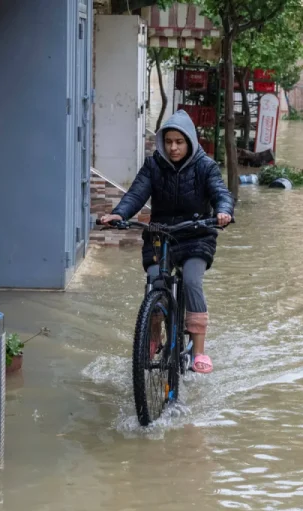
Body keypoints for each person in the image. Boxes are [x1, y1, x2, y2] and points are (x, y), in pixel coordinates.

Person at [100, 110, 233, 374]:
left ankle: (198, 351)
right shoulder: (153, 165)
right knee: (154, 282)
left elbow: (220, 192)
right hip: (160, 235)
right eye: (169, 141)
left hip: (196, 235)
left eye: (179, 142)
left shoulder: (205, 166)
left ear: (190, 142)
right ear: (162, 142)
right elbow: (136, 193)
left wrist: (223, 211)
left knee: (192, 281)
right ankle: (153, 338)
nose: (173, 147)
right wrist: (120, 213)